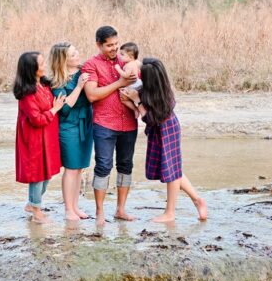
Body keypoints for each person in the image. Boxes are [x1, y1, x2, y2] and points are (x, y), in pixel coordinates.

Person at [121, 57, 207, 225]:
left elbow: (150, 119)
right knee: (173, 168)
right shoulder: (159, 86)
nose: (139, 76)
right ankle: (197, 200)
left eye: (142, 74)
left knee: (171, 171)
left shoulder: (158, 95)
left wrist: (137, 100)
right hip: (162, 129)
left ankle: (170, 212)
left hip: (166, 130)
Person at [83, 25, 139, 225]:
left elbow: (140, 79)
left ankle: (120, 209)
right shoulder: (91, 65)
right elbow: (91, 95)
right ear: (99, 45)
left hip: (129, 123)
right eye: (109, 45)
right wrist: (119, 84)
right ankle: (99, 212)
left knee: (126, 166)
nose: (114, 48)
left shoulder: (126, 60)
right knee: (103, 166)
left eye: (116, 44)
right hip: (104, 123)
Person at [13, 50, 66, 223]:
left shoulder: (44, 85)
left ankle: (32, 203)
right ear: (31, 69)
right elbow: (36, 119)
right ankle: (36, 211)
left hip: (48, 136)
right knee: (37, 175)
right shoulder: (27, 94)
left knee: (47, 174)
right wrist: (54, 109)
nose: (45, 66)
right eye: (41, 64)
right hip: (34, 139)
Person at [49, 42, 93, 221]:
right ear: (64, 60)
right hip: (68, 125)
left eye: (77, 51)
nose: (78, 55)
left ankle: (76, 206)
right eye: (73, 54)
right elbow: (65, 109)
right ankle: (68, 209)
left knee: (80, 168)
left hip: (86, 123)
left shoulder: (85, 70)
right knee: (71, 168)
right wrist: (79, 87)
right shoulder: (57, 81)